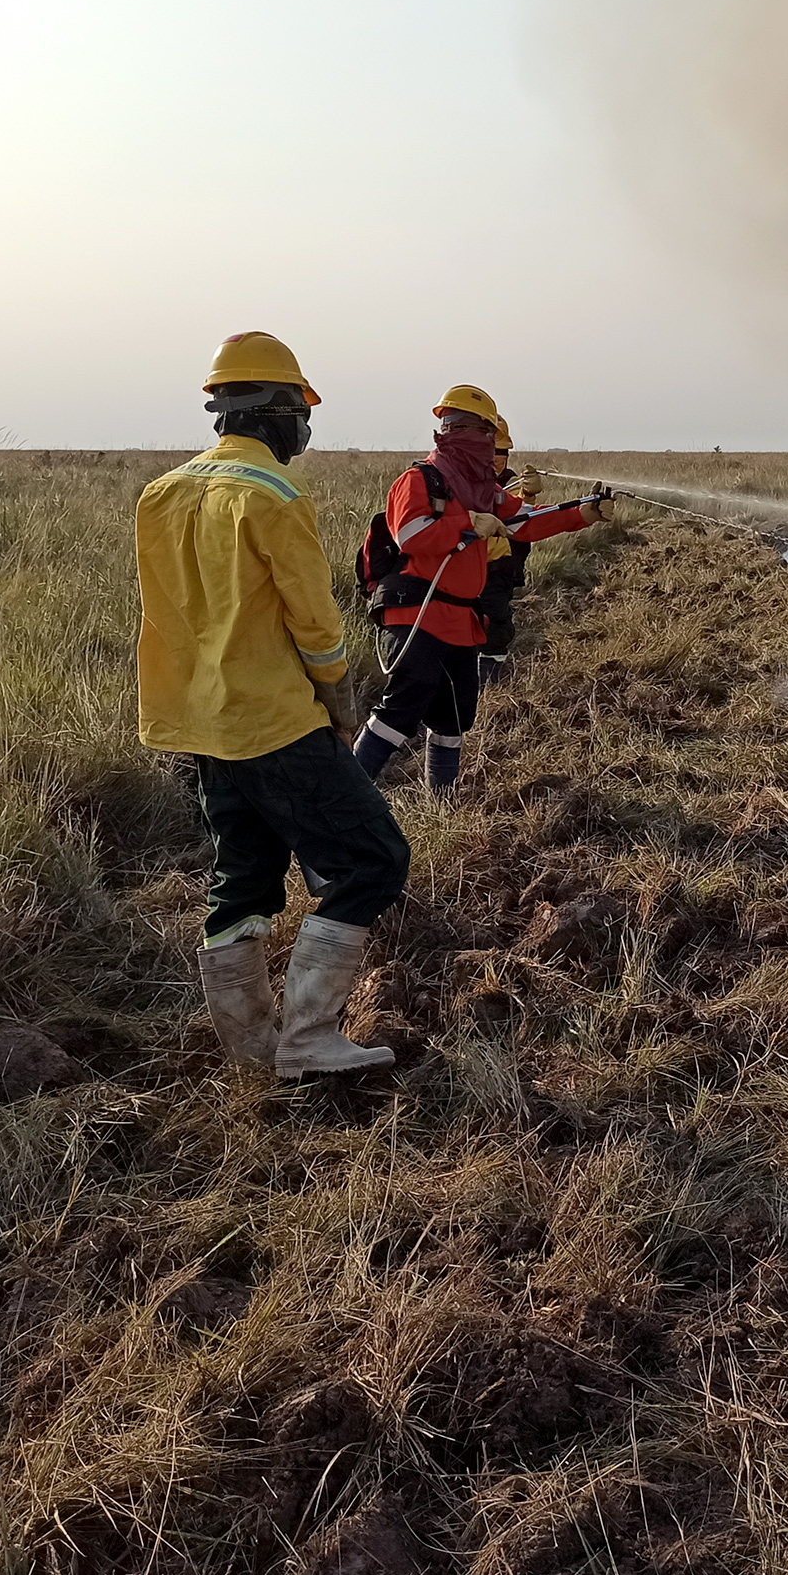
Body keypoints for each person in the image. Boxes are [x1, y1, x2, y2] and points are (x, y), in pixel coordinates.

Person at [135, 331, 408, 1080]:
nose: (304, 430)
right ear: (278, 411)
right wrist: (341, 700)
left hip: (203, 725)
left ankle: (256, 1057)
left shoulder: (161, 495)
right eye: (301, 413)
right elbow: (316, 626)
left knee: (243, 879)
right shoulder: (275, 496)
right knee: (375, 859)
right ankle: (311, 1037)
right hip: (277, 721)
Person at [352, 385, 510, 795]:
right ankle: (345, 799)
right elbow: (410, 535)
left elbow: (525, 519)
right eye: (454, 424)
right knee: (403, 706)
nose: (468, 434)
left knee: (455, 716)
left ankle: (441, 801)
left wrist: (582, 513)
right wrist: (468, 524)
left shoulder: (483, 491)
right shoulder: (420, 479)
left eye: (476, 428)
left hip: (461, 620)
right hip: (415, 612)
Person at [476, 415, 611, 685]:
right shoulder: (433, 483)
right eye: (491, 450)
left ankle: (483, 690)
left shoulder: (495, 490)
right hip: (440, 590)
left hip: (495, 573)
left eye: (502, 452)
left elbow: (526, 522)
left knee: (496, 629)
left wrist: (584, 513)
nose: (497, 457)